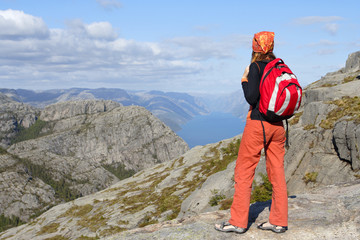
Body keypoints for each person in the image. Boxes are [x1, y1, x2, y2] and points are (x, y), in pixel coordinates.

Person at [214, 31, 288, 234]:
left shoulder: (255, 67)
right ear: (271, 46)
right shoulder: (279, 67)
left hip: (258, 125)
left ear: (255, 47)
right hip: (278, 126)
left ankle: (237, 222)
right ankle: (279, 221)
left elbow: (252, 98)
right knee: (277, 173)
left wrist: (244, 79)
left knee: (244, 172)